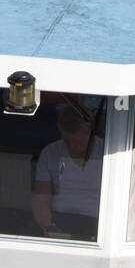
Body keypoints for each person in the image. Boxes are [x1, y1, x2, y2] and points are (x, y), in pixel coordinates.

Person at [32, 103, 104, 241]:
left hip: (98, 222)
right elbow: (40, 199)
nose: (72, 147)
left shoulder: (107, 153)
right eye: (67, 141)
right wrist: (48, 227)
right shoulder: (50, 153)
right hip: (58, 219)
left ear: (90, 132)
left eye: (78, 142)